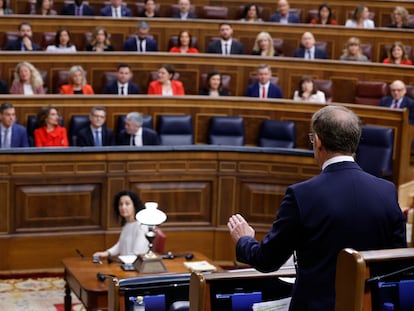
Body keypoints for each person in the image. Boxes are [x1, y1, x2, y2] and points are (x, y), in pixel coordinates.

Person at [228, 105, 407, 311]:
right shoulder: (386, 191)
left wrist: (244, 240)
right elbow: (396, 263)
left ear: (318, 142)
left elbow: (267, 261)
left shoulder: (302, 195)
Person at [93, 190, 149, 258]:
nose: (123, 207)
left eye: (127, 204)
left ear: (135, 205)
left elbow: (138, 252)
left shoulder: (142, 226)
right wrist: (107, 253)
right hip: (126, 263)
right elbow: (120, 245)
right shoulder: (127, 224)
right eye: (121, 204)